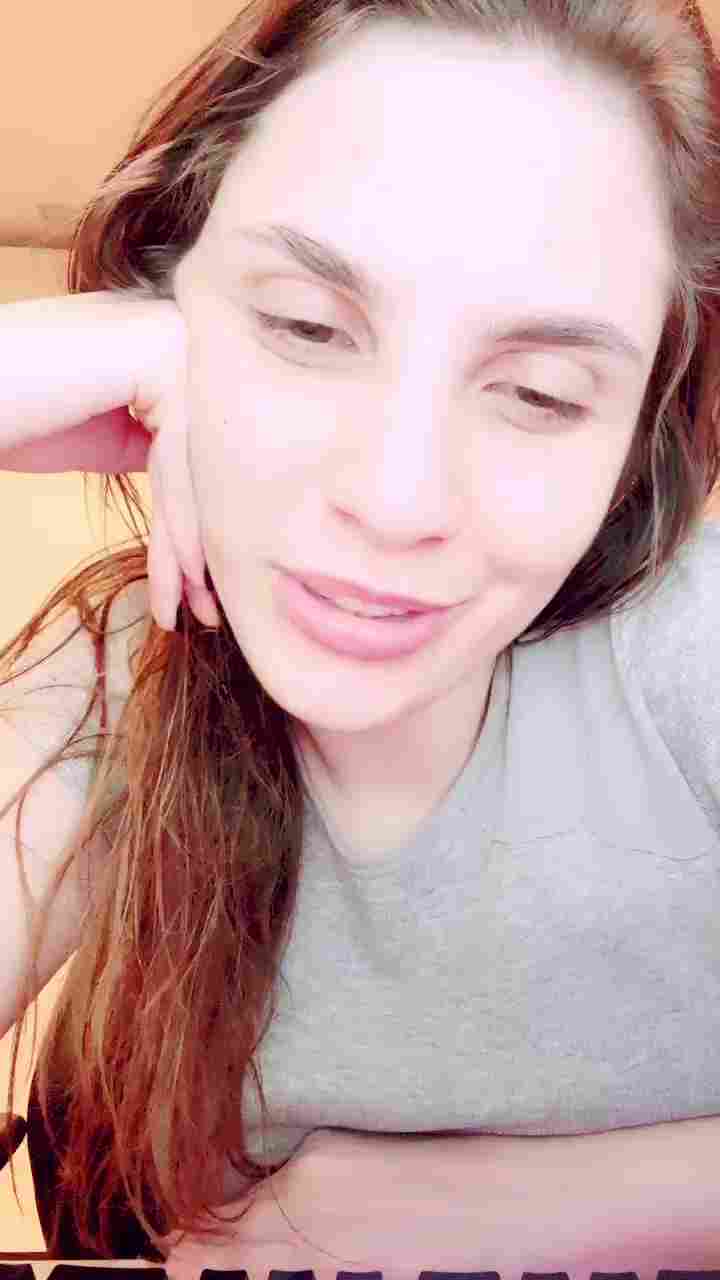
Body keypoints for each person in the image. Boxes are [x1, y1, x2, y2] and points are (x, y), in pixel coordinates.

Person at [1, 0, 720, 1267]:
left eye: (541, 393)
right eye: (304, 327)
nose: (396, 499)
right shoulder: (116, 674)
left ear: (638, 440)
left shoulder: (690, 648)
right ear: (164, 293)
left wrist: (500, 1204)